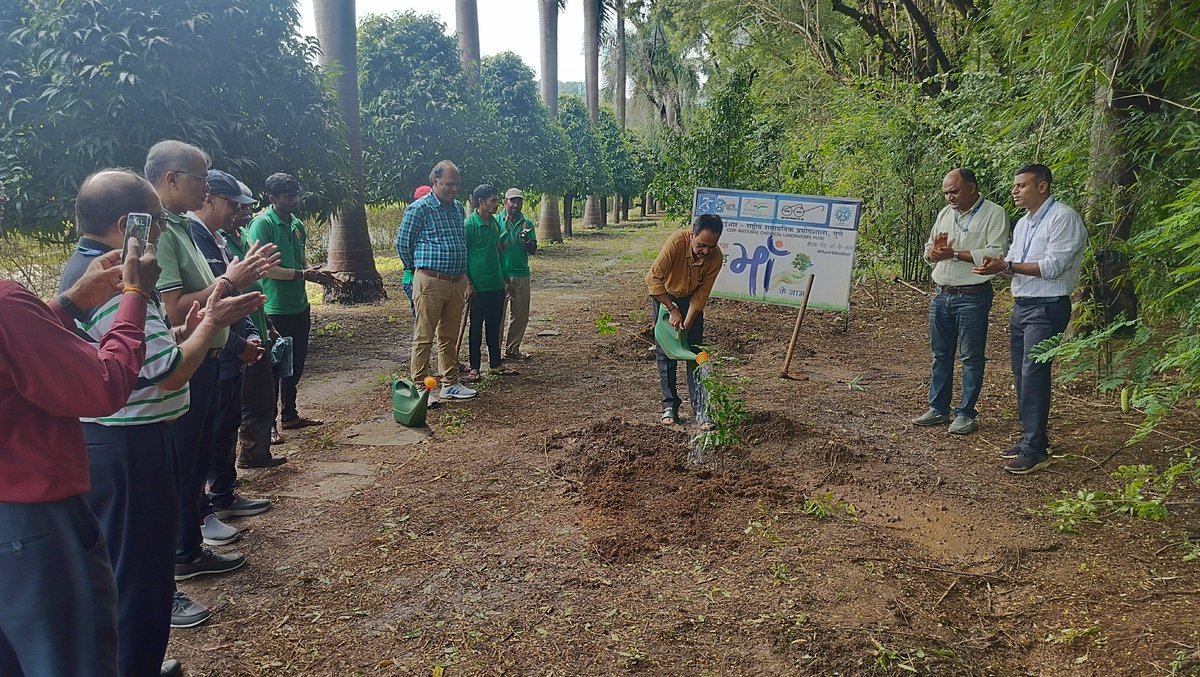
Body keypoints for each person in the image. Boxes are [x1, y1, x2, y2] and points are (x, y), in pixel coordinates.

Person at [58, 169, 266, 676]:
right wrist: (212, 324)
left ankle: (137, 660)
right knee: (140, 576)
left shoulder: (96, 270)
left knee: (132, 570)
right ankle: (136, 664)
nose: (159, 233)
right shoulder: (113, 279)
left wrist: (185, 328)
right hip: (128, 445)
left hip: (126, 440)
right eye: (153, 223)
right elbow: (166, 376)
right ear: (127, 224)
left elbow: (140, 350)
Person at [1, 174, 158, 676]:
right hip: (32, 523)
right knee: (70, 658)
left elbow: (16, 360)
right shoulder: (6, 302)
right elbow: (102, 385)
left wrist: (66, 306)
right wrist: (134, 296)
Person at [143, 139, 279, 627]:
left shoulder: (176, 227)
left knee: (198, 454)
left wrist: (232, 291)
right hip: (188, 361)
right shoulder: (160, 233)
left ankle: (190, 544)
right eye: (201, 179)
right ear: (173, 179)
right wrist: (231, 281)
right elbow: (179, 311)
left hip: (207, 356)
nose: (205, 190)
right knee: (181, 464)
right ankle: (182, 554)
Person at [974, 164, 1088, 474]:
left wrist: (1008, 265)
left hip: (1048, 304)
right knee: (1021, 372)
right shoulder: (1024, 224)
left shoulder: (1063, 218)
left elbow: (1053, 266)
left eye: (1022, 185)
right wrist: (999, 266)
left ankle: (1035, 448)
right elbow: (1014, 261)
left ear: (1043, 187)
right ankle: (1032, 438)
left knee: (1033, 371)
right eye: (1015, 185)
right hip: (1022, 303)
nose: (1015, 191)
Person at [188, 170, 276, 537]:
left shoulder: (218, 239)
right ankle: (203, 512)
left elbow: (235, 296)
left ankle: (224, 494)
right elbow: (209, 302)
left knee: (223, 428)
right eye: (231, 205)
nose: (237, 213)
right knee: (206, 437)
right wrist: (239, 346)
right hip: (216, 352)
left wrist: (251, 333)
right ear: (209, 199)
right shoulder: (194, 237)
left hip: (232, 347)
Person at [911, 168, 1011, 435]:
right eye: (945, 193)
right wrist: (932, 254)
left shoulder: (993, 213)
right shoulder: (945, 214)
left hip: (972, 296)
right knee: (940, 354)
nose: (949, 198)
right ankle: (938, 408)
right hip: (942, 293)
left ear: (972, 188)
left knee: (970, 356)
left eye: (954, 192)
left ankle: (965, 413)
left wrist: (954, 253)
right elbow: (928, 249)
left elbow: (996, 252)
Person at [246, 172, 337, 430]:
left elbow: (300, 259)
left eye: (296, 194)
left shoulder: (296, 224)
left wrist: (312, 271)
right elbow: (263, 269)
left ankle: (290, 414)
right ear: (273, 198)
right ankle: (269, 425)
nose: (295, 200)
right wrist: (303, 274)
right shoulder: (263, 224)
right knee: (274, 366)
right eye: (288, 196)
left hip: (299, 304)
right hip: (275, 306)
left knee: (294, 364)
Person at [395, 160, 477, 400]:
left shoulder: (457, 207)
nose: (453, 189)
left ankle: (450, 382)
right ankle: (421, 387)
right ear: (435, 182)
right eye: (449, 184)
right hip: (430, 281)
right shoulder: (419, 208)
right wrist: (416, 267)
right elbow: (402, 243)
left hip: (456, 281)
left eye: (457, 185)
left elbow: (459, 241)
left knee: (449, 335)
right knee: (424, 336)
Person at [227, 180, 288, 469]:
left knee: (263, 396)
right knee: (244, 401)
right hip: (235, 334)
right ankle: (248, 454)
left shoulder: (241, 237)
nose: (244, 214)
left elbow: (253, 287)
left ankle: (257, 452)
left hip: (256, 327)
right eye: (238, 208)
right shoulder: (215, 242)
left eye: (247, 208)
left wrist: (266, 324)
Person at [645, 214, 725, 429]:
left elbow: (700, 298)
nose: (706, 251)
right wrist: (672, 309)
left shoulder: (716, 257)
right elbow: (653, 279)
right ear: (692, 234)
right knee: (666, 353)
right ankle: (670, 406)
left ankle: (702, 410)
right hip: (665, 297)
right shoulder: (677, 242)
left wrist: (685, 327)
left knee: (695, 353)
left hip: (691, 303)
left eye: (711, 246)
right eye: (702, 245)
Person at [463, 184, 513, 382]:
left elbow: (498, 252)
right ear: (481, 202)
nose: (496, 204)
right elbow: (462, 256)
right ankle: (474, 367)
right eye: (493, 200)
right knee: (476, 328)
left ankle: (495, 364)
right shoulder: (470, 225)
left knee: (494, 327)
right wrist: (468, 283)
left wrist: (505, 278)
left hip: (496, 284)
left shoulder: (494, 223)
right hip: (478, 286)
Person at [499, 188, 537, 360]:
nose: (516, 205)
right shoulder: (495, 220)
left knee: (520, 314)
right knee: (497, 316)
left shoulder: (527, 223)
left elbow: (533, 250)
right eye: (512, 201)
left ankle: (513, 349)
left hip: (521, 273)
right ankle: (495, 352)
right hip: (500, 274)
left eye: (519, 201)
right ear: (505, 201)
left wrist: (526, 240)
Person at [401, 185, 433, 318]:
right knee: (421, 316)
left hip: (425, 278)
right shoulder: (414, 215)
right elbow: (402, 244)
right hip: (412, 278)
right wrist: (412, 268)